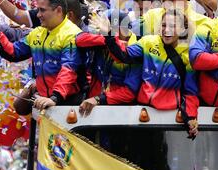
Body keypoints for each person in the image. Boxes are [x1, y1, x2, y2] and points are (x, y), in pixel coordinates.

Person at [81, 9, 199, 139]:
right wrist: (109, 34)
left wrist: (190, 117)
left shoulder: (189, 56)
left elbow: (190, 92)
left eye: (173, 26)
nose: (167, 30)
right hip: (141, 114)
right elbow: (123, 56)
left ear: (183, 29)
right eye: (164, 25)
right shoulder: (148, 42)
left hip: (168, 120)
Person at [0, 0, 86, 110]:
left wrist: (54, 98)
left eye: (42, 10)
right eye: (38, 10)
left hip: (68, 104)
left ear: (59, 11)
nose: (38, 15)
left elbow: (69, 70)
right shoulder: (37, 33)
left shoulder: (72, 35)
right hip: (44, 102)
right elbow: (13, 53)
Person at [139, 0, 210, 39]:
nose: (166, 6)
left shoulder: (202, 22)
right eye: (163, 1)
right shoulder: (151, 16)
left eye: (171, 0)